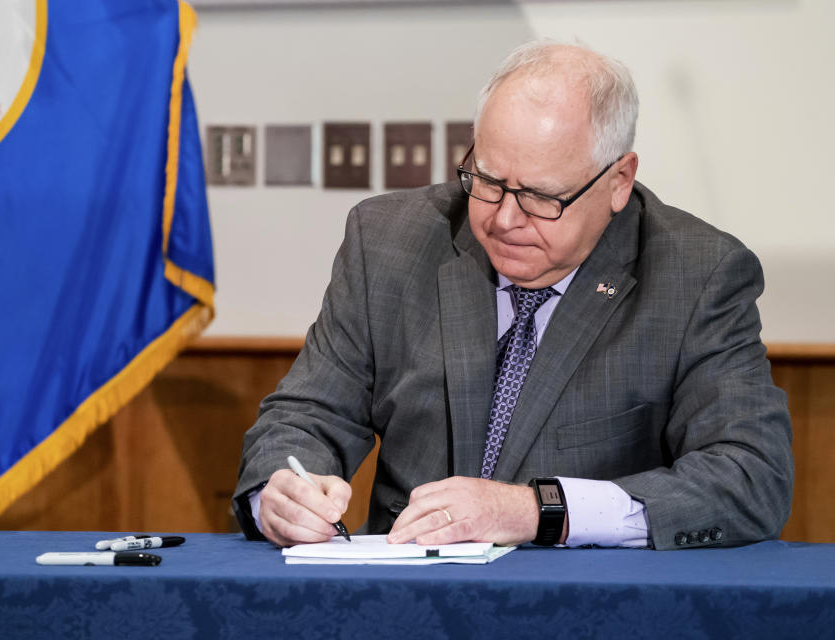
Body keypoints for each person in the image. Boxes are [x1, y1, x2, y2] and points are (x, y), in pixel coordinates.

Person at [233, 40, 793, 551]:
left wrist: (538, 511)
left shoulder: (697, 274)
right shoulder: (387, 242)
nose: (503, 218)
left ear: (618, 180)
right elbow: (306, 415)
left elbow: (751, 476)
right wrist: (281, 492)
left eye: (542, 197)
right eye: (488, 179)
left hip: (594, 608)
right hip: (405, 599)